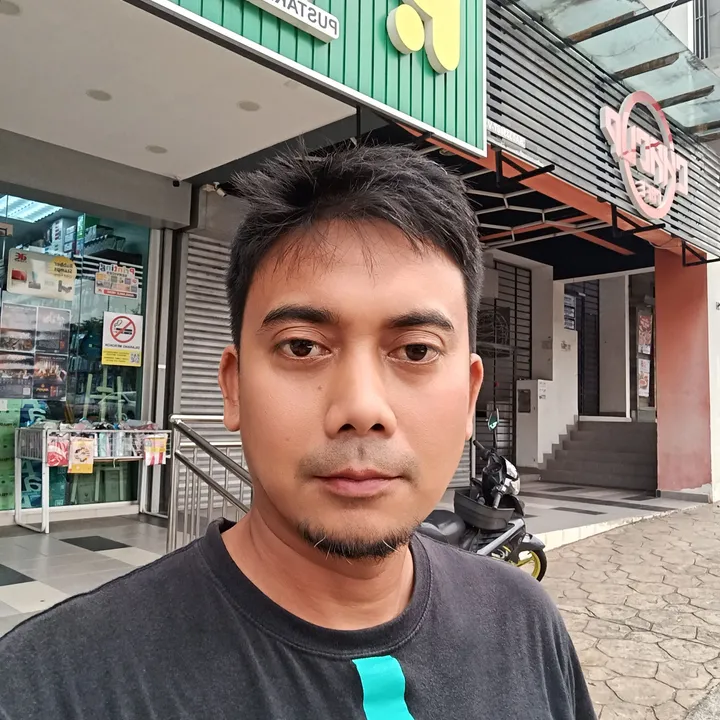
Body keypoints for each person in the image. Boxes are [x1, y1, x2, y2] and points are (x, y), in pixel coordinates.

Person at [0, 145, 595, 719]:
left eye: (416, 350)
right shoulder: (57, 684)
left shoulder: (524, 622)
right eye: (303, 346)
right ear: (234, 387)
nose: (361, 408)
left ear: (468, 395)